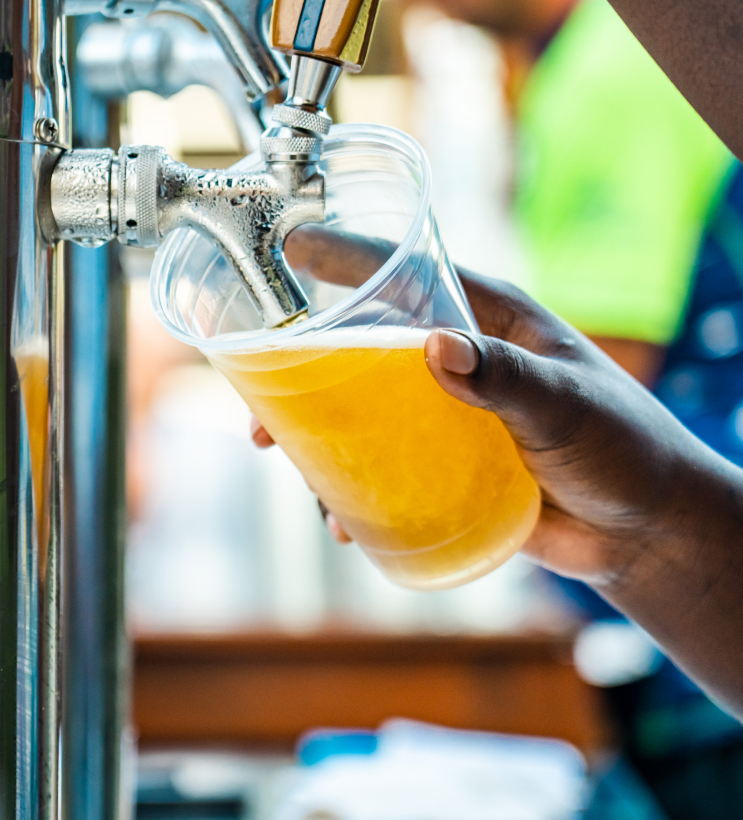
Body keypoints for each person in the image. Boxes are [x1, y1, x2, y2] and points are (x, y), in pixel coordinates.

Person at [257, 0, 743, 729]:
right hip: (682, 600)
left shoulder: (610, 76)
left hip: (689, 661)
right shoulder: (583, 61)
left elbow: (614, 358)